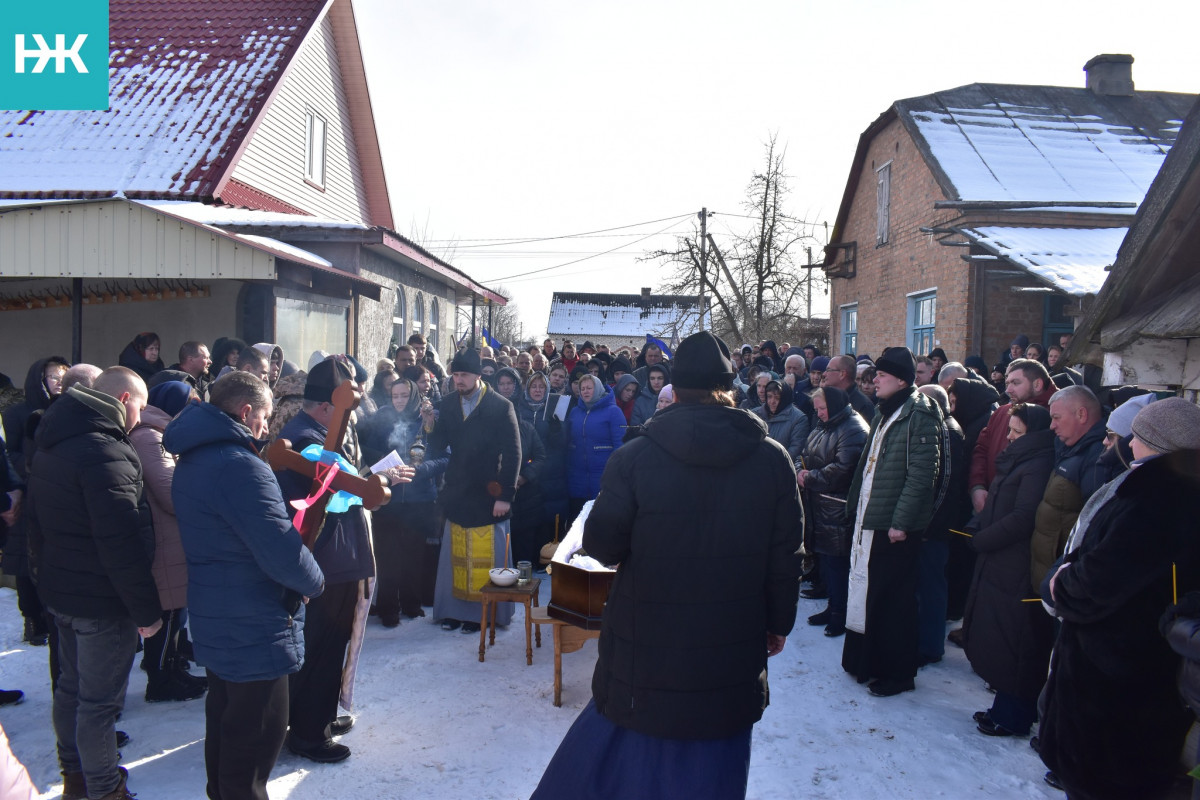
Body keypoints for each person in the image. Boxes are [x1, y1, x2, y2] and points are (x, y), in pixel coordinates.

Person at [532, 331, 802, 800]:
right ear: (730, 388)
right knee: (712, 759)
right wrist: (778, 622)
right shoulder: (771, 460)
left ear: (673, 388)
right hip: (730, 638)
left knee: (633, 747)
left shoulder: (635, 456)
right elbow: (787, 555)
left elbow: (603, 546)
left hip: (647, 637)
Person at [164, 371, 325, 800]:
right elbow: (279, 549)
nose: (267, 428)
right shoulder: (240, 466)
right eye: (265, 418)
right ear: (246, 411)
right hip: (254, 625)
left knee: (226, 731)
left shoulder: (196, 456)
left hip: (219, 616)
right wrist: (314, 580)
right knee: (252, 749)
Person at [1039, 398, 1200, 800]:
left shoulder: (1157, 496)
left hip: (1116, 675)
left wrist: (1063, 583)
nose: (1129, 443)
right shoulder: (1171, 489)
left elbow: (1102, 578)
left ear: (1155, 442)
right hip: (1143, 667)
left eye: (1137, 436)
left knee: (1108, 782)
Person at [28, 367, 162, 800]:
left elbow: (36, 528)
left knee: (71, 689)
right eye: (139, 408)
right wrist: (145, 610)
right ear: (124, 399)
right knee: (99, 704)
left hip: (63, 592)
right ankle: (105, 790)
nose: (140, 420)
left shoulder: (56, 440)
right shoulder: (106, 451)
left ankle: (76, 779)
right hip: (103, 602)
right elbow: (122, 542)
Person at [274, 358, 395, 763]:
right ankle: (309, 733)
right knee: (322, 647)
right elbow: (336, 489)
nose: (354, 413)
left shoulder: (316, 433)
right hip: (327, 559)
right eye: (348, 404)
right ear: (329, 405)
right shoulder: (308, 439)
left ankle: (317, 715)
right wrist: (376, 486)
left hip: (332, 557)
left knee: (325, 644)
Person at [842, 347, 943, 697]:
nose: (874, 382)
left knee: (894, 603)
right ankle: (867, 662)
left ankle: (897, 673)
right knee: (872, 595)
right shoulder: (889, 411)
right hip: (875, 519)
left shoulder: (920, 413)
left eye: (881, 376)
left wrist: (901, 521)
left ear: (901, 379)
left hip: (894, 528)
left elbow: (921, 475)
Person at [961, 404, 1056, 737]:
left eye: (1018, 432)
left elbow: (1022, 516)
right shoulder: (1020, 460)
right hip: (1000, 559)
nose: (1010, 437)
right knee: (1001, 637)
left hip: (1014, 562)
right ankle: (1002, 707)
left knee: (1015, 641)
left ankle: (1013, 715)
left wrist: (983, 539)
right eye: (1010, 431)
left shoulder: (1037, 464)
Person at [429, 348, 521, 633]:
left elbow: (514, 453)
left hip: (488, 492)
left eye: (464, 375)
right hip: (457, 491)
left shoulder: (499, 405)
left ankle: (485, 613)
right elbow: (437, 446)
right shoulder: (446, 404)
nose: (458, 380)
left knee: (486, 557)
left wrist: (505, 495)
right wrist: (429, 425)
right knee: (455, 556)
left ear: (478, 376)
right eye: (455, 375)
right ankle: (454, 612)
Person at [129, 380, 208, 703]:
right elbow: (171, 492)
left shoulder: (162, 434)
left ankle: (173, 669)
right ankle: (161, 679)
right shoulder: (151, 437)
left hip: (173, 535)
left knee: (176, 611)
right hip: (166, 537)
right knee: (169, 611)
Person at [360, 378, 445, 627]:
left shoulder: (428, 420)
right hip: (389, 498)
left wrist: (422, 470)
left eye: (404, 395)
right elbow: (365, 447)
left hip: (420, 499)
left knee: (414, 554)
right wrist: (386, 466)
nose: (399, 400)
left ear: (415, 396)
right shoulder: (381, 419)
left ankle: (411, 602)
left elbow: (444, 456)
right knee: (388, 555)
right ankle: (388, 608)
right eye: (395, 395)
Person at [2, 356, 69, 647]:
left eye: (62, 377)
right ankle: (32, 619)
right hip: (27, 494)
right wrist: (37, 465)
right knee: (27, 563)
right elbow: (8, 455)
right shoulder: (18, 413)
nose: (58, 382)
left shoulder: (66, 411)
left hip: (57, 494)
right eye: (53, 377)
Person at [799, 386, 869, 637]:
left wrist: (809, 478)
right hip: (821, 505)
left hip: (837, 508)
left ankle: (841, 613)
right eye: (816, 409)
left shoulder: (853, 428)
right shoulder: (824, 425)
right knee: (828, 562)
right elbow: (805, 454)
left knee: (839, 564)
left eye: (822, 408)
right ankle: (833, 606)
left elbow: (843, 469)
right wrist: (801, 469)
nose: (818, 414)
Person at [1029, 385, 1112, 594]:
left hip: (1067, 578)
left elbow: (1094, 522)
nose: (1051, 426)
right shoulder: (1066, 444)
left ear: (1081, 414)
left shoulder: (1097, 457)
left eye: (1056, 417)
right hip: (1051, 571)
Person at [566, 374, 627, 525]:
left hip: (602, 479)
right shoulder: (575, 412)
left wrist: (615, 475)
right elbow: (567, 442)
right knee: (577, 527)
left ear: (598, 388)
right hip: (577, 480)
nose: (585, 391)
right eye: (583, 389)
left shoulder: (613, 412)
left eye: (589, 388)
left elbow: (621, 445)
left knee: (600, 526)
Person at [753, 379, 809, 459]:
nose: (772, 401)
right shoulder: (755, 414)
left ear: (784, 398)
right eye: (769, 396)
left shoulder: (798, 419)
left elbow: (795, 449)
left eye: (777, 398)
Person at [822, 355, 874, 421]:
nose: (824, 374)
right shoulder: (826, 398)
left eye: (828, 370)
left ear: (842, 374)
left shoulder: (864, 406)